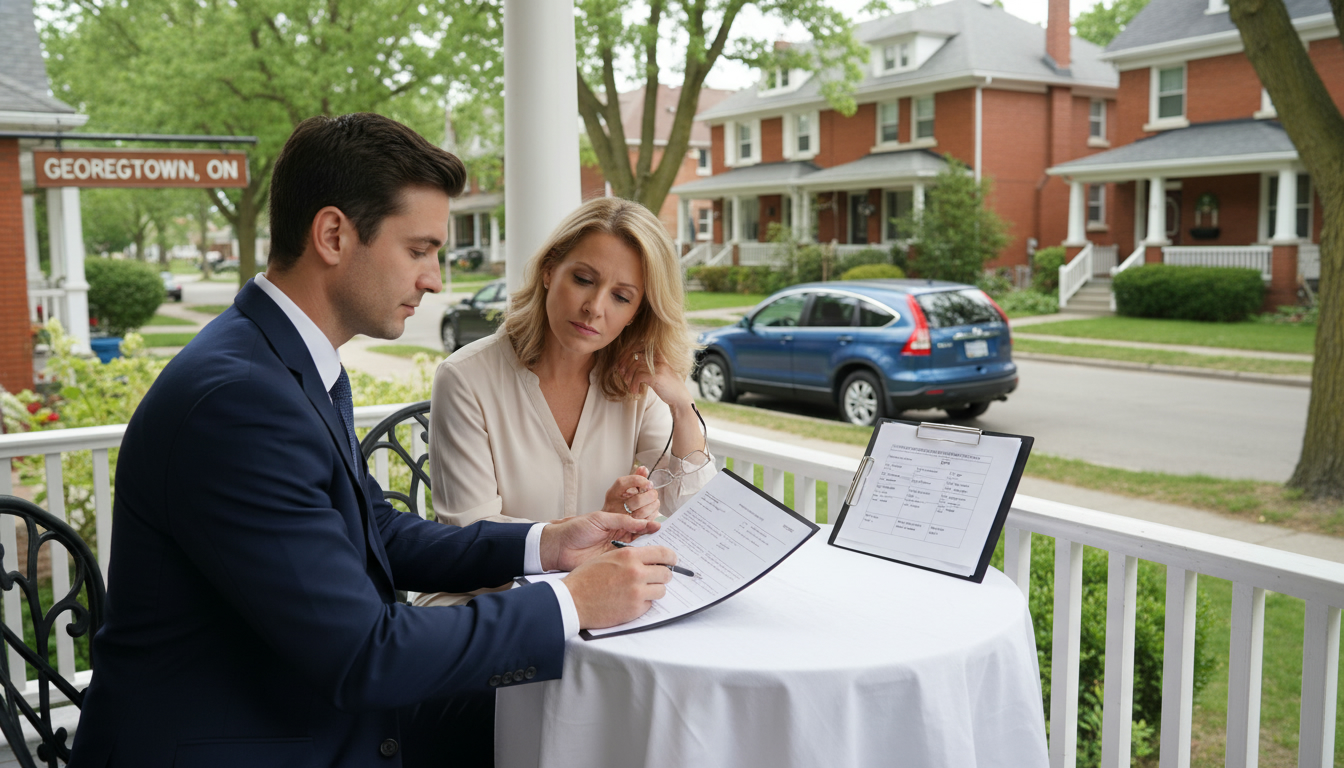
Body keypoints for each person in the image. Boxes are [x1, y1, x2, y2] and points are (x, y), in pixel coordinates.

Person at [67, 113, 677, 768]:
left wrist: (545, 543)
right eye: (418, 250)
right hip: (254, 739)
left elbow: (376, 532)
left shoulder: (288, 362)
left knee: (582, 720)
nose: (437, 279)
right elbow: (364, 656)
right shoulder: (239, 401)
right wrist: (573, 600)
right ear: (333, 235)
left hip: (305, 705)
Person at [419, 197, 714, 608]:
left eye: (621, 297)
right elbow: (472, 533)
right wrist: (590, 533)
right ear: (548, 270)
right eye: (583, 279)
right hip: (484, 605)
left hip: (600, 601)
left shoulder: (637, 386)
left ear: (637, 313)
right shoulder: (466, 377)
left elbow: (690, 505)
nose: (595, 308)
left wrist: (682, 407)